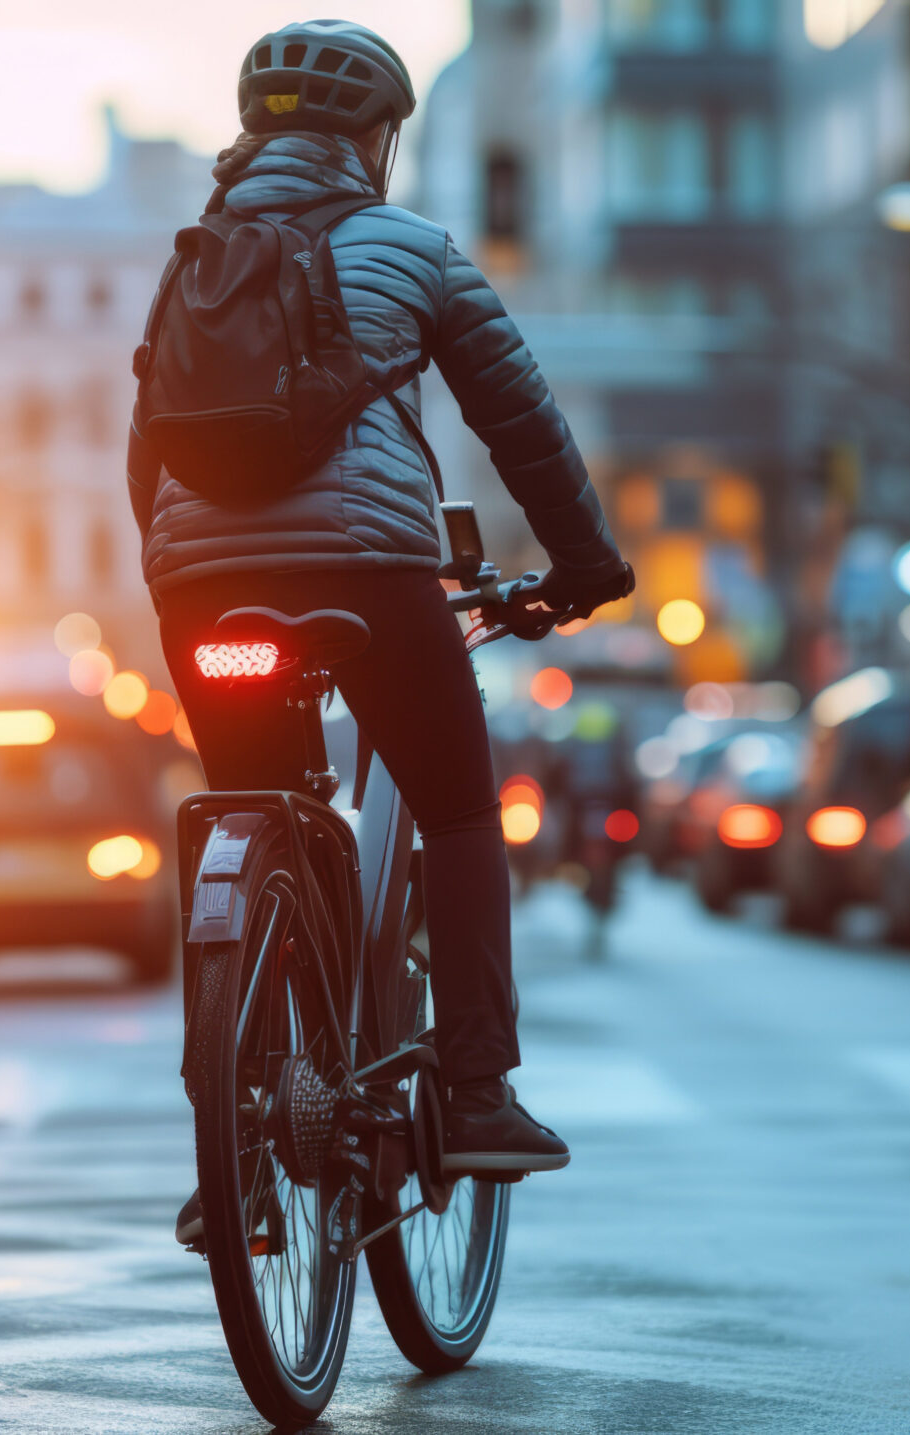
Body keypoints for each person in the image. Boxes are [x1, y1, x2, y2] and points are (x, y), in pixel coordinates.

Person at [133, 20, 633, 1247]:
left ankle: (230, 1158)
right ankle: (472, 1092)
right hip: (368, 574)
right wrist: (582, 567)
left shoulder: (192, 258)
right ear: (378, 139)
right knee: (459, 809)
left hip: (200, 586)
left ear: (253, 133)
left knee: (247, 817)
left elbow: (148, 447)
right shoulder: (416, 250)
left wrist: (181, 567)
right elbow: (521, 421)